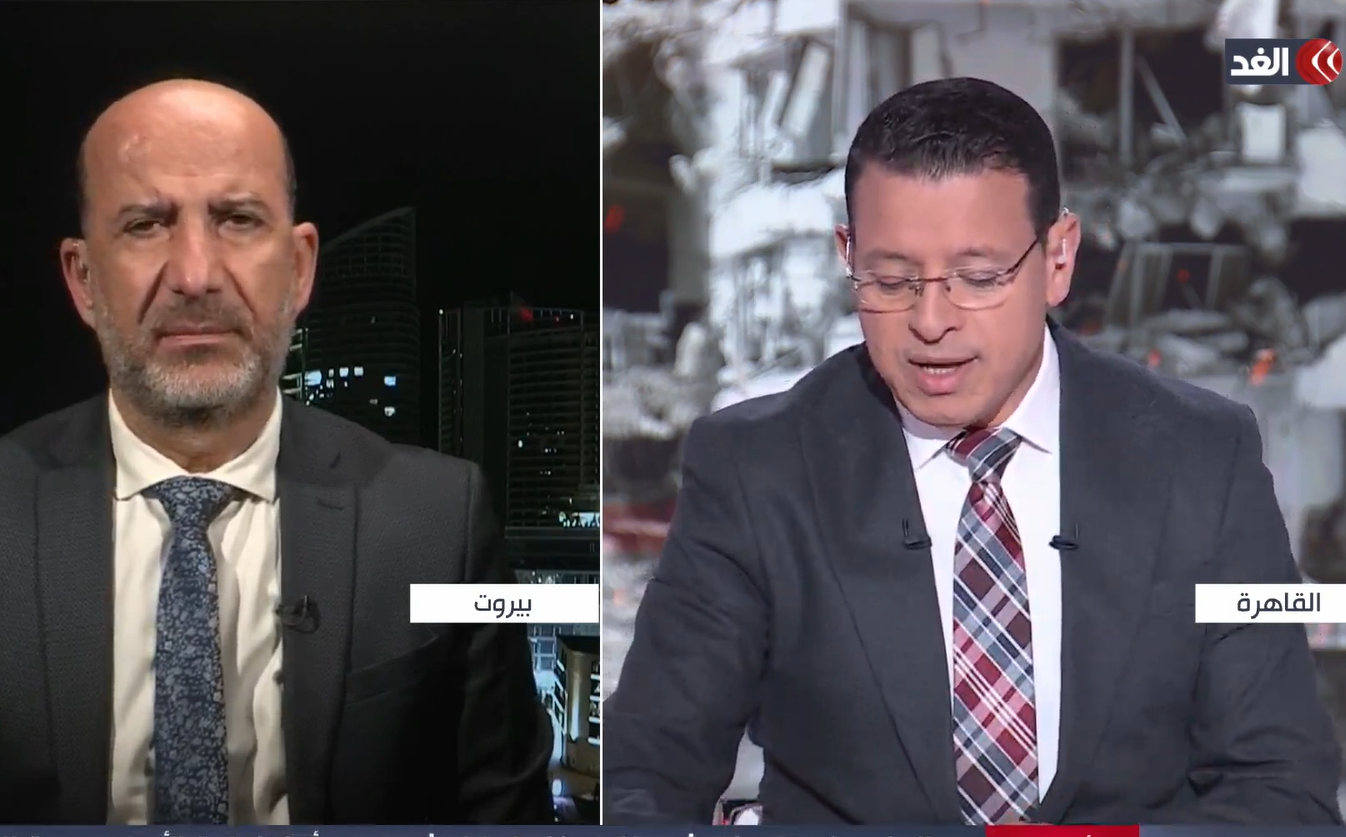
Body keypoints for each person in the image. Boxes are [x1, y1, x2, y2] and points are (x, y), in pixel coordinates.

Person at [603, 77, 1342, 825]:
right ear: (847, 255)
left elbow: (1282, 793)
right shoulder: (757, 468)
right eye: (891, 279)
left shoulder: (1201, 459)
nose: (931, 321)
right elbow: (644, 776)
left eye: (979, 278)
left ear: (1058, 258)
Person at [0, 79, 553, 825]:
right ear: (83, 278)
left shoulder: (439, 522)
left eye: (237, 219)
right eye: (145, 225)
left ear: (299, 267)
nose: (195, 276)